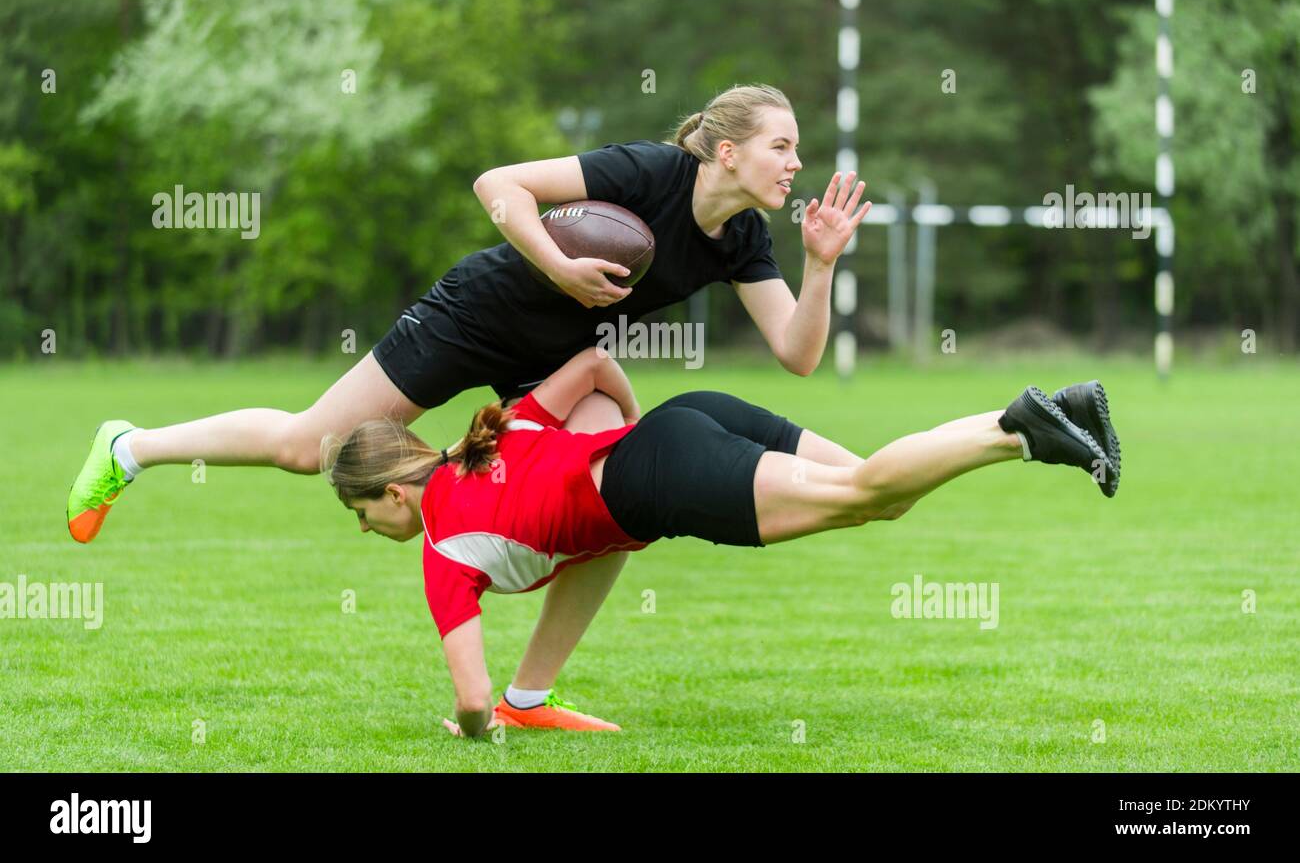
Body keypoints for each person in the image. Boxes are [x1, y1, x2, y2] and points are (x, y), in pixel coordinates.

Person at [65, 83, 872, 729]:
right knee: (308, 447)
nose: (797, 162)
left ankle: (524, 701)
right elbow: (499, 184)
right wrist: (560, 268)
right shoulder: (648, 172)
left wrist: (821, 265)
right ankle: (131, 448)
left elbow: (797, 355)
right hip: (477, 315)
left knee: (616, 503)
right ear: (728, 152)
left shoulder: (741, 238)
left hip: (559, 360)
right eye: (783, 145)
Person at [325, 346, 1121, 738]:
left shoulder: (444, 551)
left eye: (364, 517)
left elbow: (466, 700)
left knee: (866, 494)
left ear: (395, 494)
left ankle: (1022, 431)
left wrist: (473, 728)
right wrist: (639, 437)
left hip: (670, 473)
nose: (370, 533)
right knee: (884, 500)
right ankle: (1061, 408)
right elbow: (597, 365)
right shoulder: (494, 435)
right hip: (687, 420)